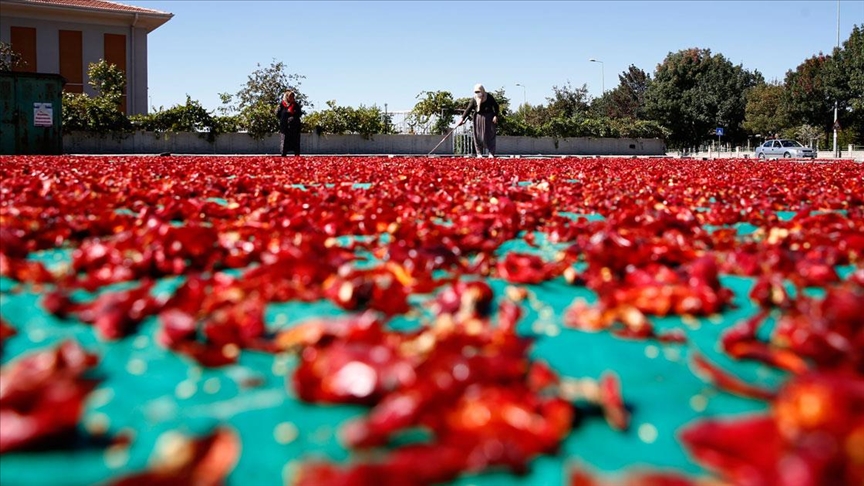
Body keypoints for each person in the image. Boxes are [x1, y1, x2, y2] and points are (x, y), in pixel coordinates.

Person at [455, 84, 500, 157]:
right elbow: (468, 109)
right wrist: (462, 118)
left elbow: (496, 106)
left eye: (478, 91)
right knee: (477, 136)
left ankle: (491, 153)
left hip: (489, 118)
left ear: (482, 90)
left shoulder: (488, 97)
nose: (477, 93)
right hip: (478, 118)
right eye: (475, 92)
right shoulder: (474, 99)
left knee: (490, 135)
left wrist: (495, 115)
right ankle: (479, 153)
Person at [275, 90, 302, 156]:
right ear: (287, 97)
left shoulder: (296, 105)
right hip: (285, 127)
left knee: (295, 142)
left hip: (294, 128)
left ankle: (296, 154)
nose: (292, 98)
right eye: (290, 96)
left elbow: (299, 114)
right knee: (285, 141)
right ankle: (283, 154)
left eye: (293, 96)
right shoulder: (282, 105)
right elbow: (278, 114)